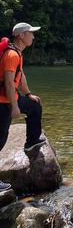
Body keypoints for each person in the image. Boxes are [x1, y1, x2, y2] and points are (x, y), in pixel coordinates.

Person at [0, 23, 46, 191]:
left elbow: (21, 76)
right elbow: (9, 83)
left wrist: (28, 95)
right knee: (0, 139)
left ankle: (31, 142)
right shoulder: (12, 54)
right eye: (30, 33)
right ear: (21, 36)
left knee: (35, 106)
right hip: (3, 102)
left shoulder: (17, 53)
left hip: (9, 98)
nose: (33, 36)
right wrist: (14, 107)